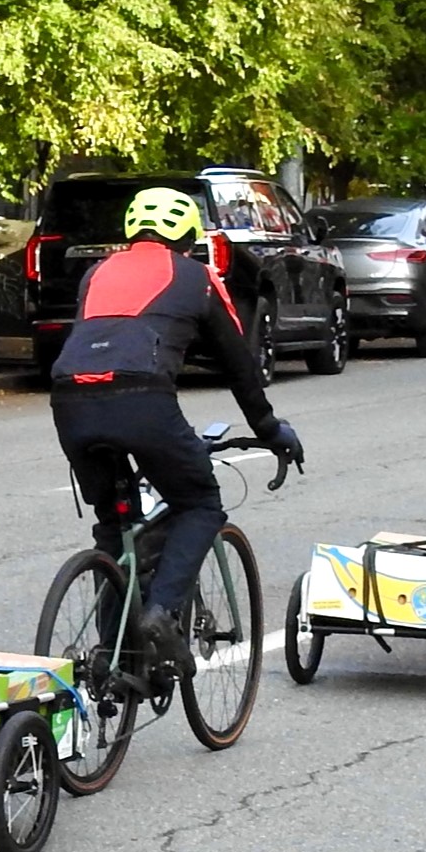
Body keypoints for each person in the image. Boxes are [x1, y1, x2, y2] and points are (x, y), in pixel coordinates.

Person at [50, 186, 303, 674]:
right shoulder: (198, 277)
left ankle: (113, 660)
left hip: (69, 401)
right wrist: (270, 429)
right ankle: (161, 614)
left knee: (115, 529)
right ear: (189, 237)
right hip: (142, 401)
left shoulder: (96, 274)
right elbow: (239, 364)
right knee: (200, 503)